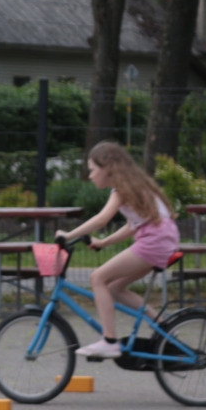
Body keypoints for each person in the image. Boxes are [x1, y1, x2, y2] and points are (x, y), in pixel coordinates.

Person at [55, 141, 181, 360]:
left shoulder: (121, 190)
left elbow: (102, 219)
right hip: (162, 239)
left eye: (93, 170)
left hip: (154, 241)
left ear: (108, 168)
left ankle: (110, 341)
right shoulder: (136, 185)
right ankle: (164, 326)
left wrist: (68, 235)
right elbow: (133, 225)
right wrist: (104, 243)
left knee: (97, 278)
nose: (91, 176)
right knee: (114, 287)